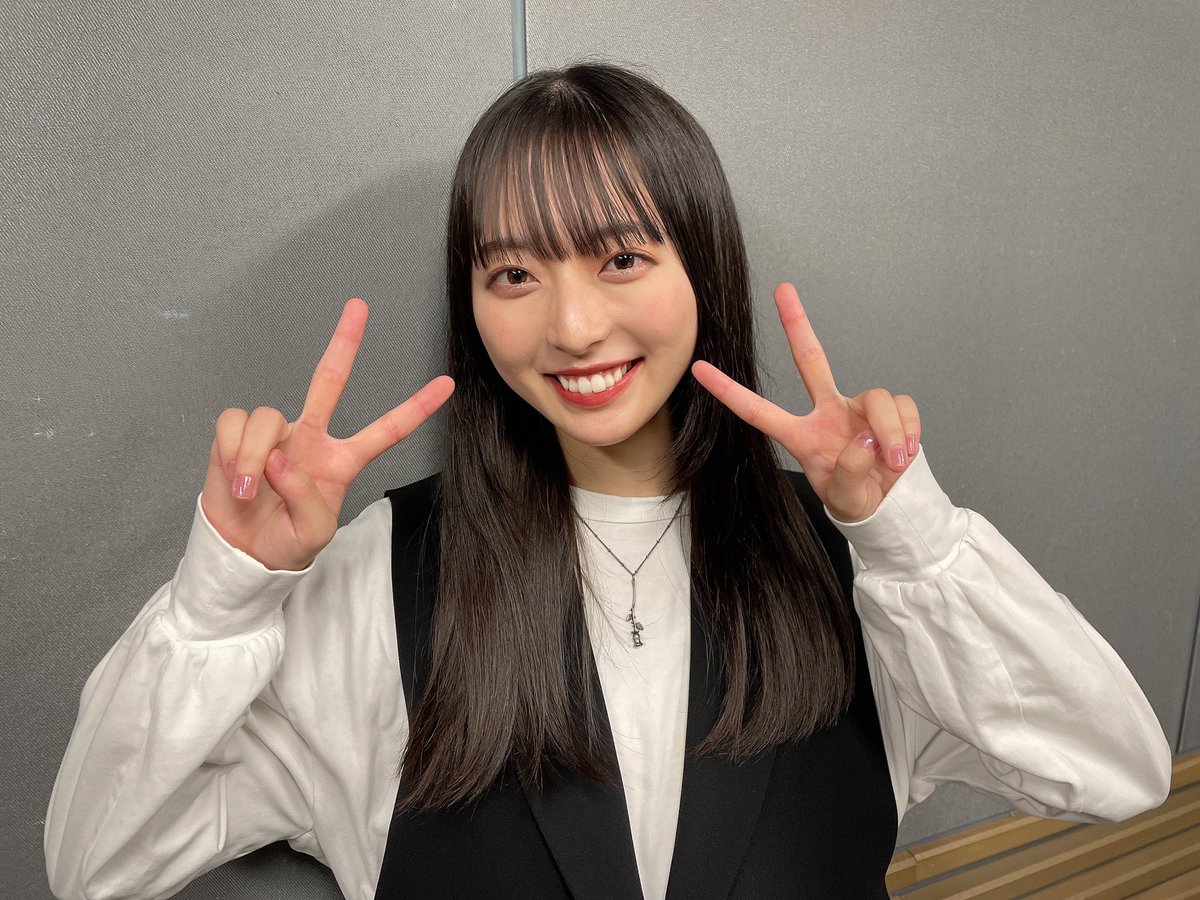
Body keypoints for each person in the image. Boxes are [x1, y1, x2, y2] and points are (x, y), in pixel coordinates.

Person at [45, 62, 1170, 900]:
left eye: (622, 257)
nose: (575, 325)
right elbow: (97, 864)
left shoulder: (860, 563)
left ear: (702, 265)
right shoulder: (374, 575)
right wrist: (225, 592)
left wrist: (910, 537)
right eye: (515, 272)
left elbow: (1117, 772)